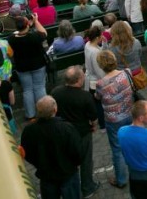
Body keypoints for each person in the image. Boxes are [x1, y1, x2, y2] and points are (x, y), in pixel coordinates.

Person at [20, 96, 84, 199]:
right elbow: (78, 152)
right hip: (68, 174)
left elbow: (26, 153)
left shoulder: (29, 130)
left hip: (46, 177)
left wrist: (39, 164)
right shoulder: (66, 128)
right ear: (55, 109)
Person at [51, 66, 99, 198]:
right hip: (82, 133)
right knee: (86, 161)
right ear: (79, 79)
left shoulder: (55, 92)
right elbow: (93, 117)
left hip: (62, 134)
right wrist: (94, 126)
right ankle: (88, 187)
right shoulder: (85, 96)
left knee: (68, 161)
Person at [95, 50, 134, 190]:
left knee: (117, 149)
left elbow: (98, 97)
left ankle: (121, 179)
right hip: (129, 113)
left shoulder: (100, 83)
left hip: (113, 119)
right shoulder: (127, 73)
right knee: (131, 142)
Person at [8, 13, 48, 121]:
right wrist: (35, 21)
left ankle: (31, 115)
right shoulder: (35, 36)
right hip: (38, 65)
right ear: (27, 25)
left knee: (27, 90)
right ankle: (44, 111)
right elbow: (44, 33)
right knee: (39, 87)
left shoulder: (11, 39)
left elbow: (16, 34)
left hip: (22, 67)